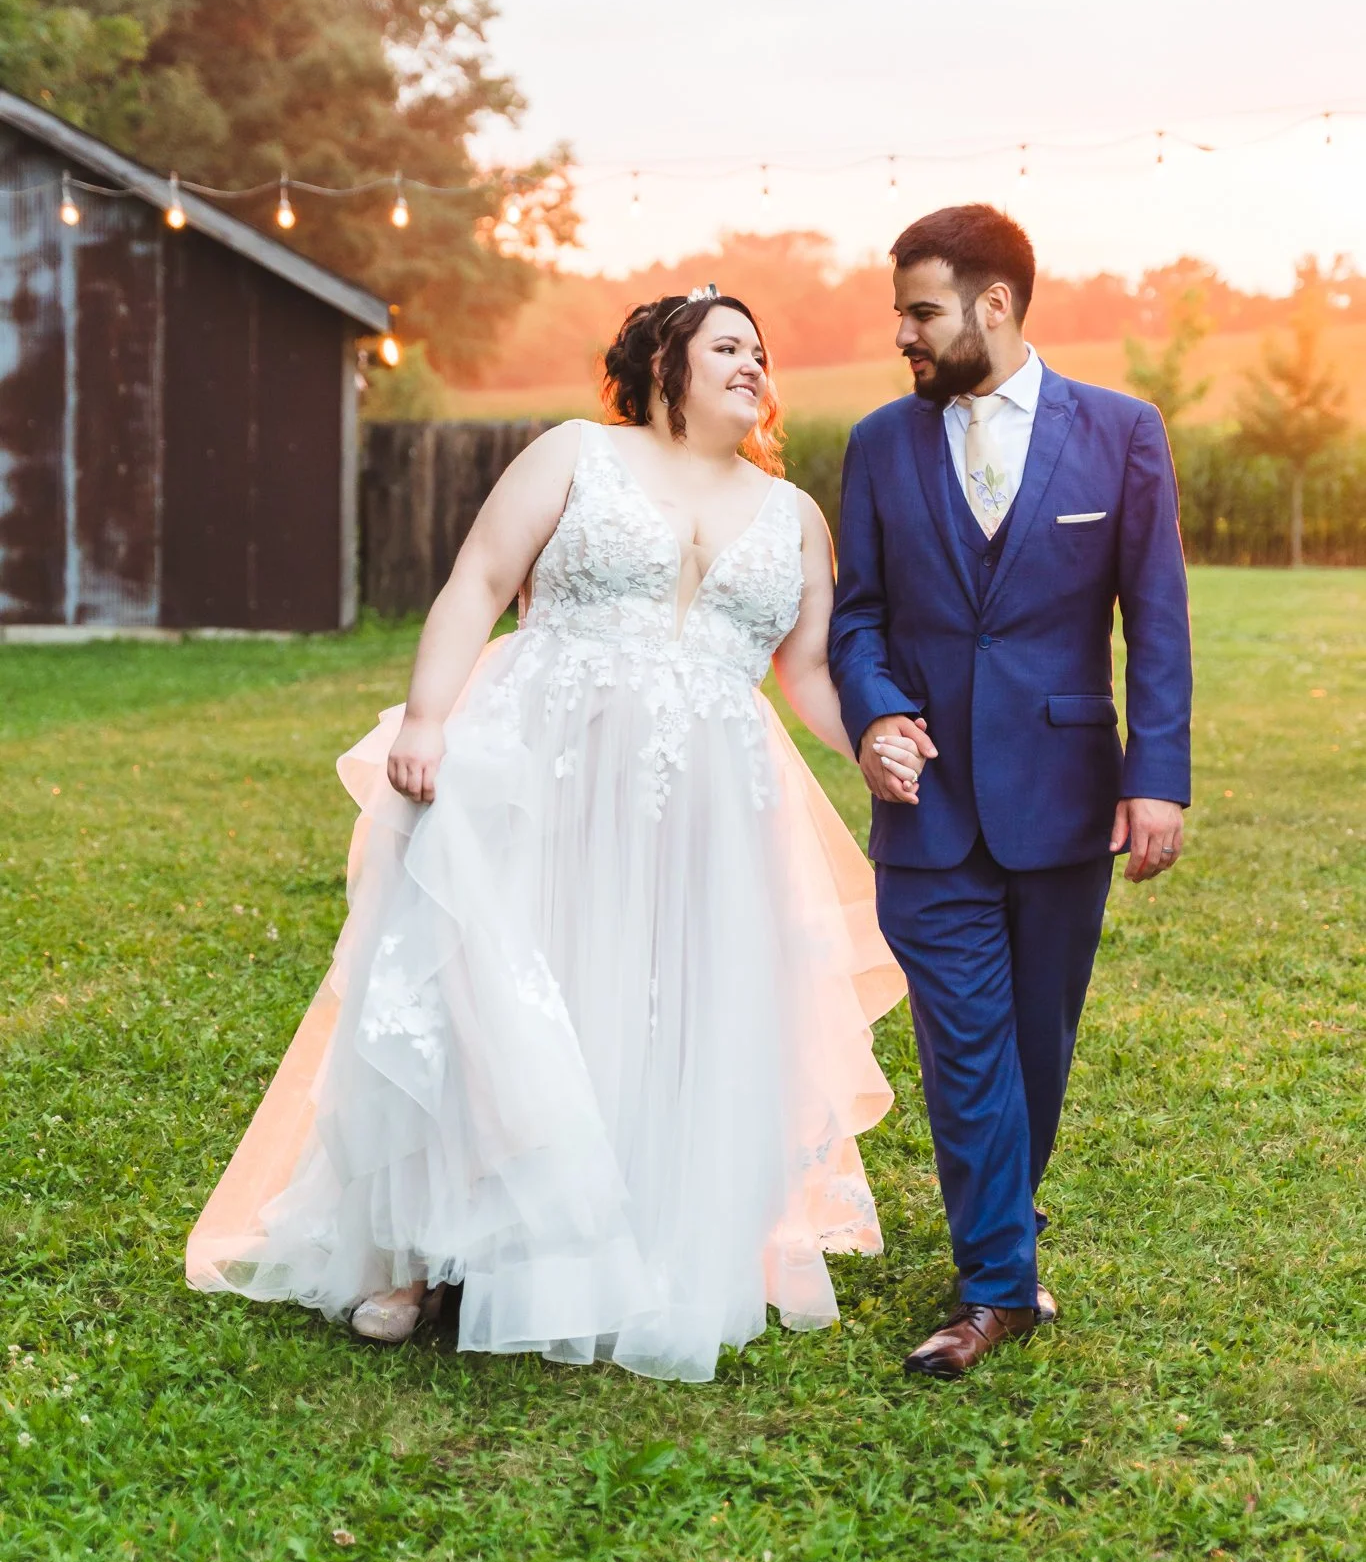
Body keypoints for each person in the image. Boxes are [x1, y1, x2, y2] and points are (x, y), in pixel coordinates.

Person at [187, 286, 931, 1383]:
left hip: (710, 808)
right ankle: (426, 1251)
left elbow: (807, 672)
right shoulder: (576, 453)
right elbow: (478, 582)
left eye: (759, 352)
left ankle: (617, 1240)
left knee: (657, 1002)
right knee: (492, 991)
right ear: (664, 361)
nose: (751, 362)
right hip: (546, 765)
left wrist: (869, 740)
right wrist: (431, 715)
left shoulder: (794, 515)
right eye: (726, 344)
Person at [830, 205, 1192, 1380]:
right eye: (899, 313)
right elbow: (860, 615)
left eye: (921, 310)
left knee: (1036, 1041)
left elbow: (1157, 618)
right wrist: (879, 710)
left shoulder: (1122, 432)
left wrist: (1158, 777)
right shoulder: (880, 442)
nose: (903, 335)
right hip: (925, 805)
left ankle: (1002, 1232)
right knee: (966, 1044)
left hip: (1065, 790)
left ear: (994, 304)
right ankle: (995, 1286)